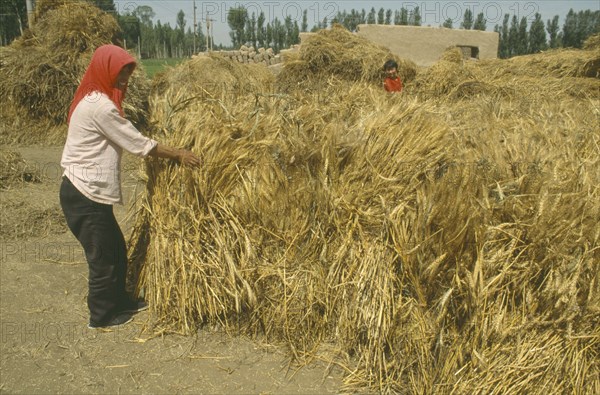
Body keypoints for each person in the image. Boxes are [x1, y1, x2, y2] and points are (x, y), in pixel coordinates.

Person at [59, 44, 201, 329]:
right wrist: (178, 154)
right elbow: (138, 144)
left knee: (114, 249)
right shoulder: (99, 106)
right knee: (102, 256)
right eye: (120, 76)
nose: (124, 82)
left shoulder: (93, 99)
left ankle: (120, 302)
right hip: (83, 193)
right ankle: (101, 317)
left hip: (88, 192)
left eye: (127, 76)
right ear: (105, 71)